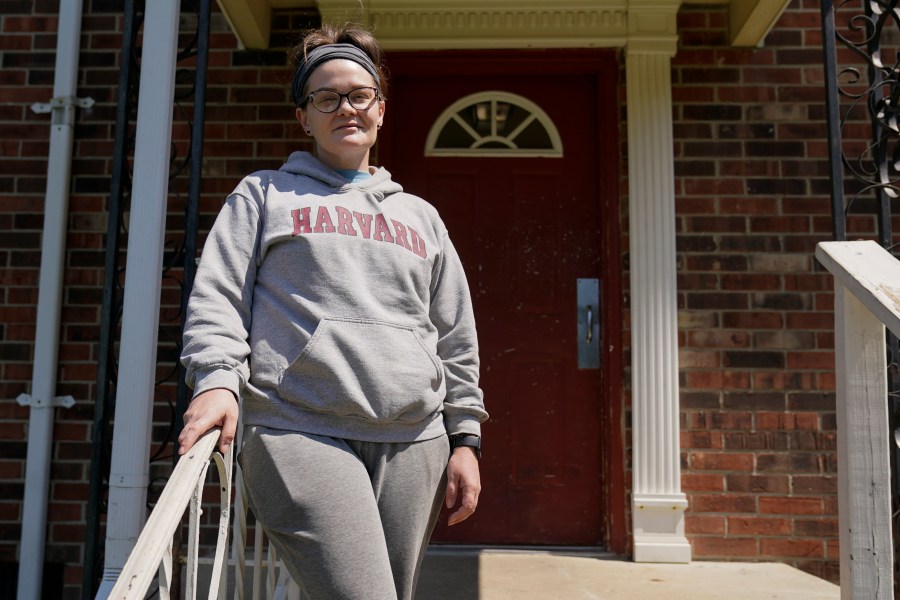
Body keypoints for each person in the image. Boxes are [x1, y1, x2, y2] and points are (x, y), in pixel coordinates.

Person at [177, 23, 488, 600]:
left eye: (359, 94)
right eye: (326, 97)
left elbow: (453, 334)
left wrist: (464, 437)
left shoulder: (420, 217)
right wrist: (216, 381)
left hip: (414, 440)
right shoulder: (265, 195)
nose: (345, 108)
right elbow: (218, 297)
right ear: (304, 116)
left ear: (381, 109)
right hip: (300, 428)